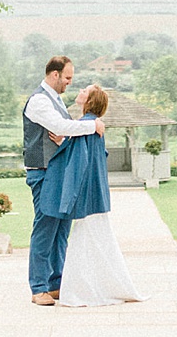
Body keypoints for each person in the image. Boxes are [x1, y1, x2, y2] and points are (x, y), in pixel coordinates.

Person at [39, 86, 142, 307]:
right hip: (97, 198)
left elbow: (78, 163)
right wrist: (65, 142)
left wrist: (68, 199)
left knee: (85, 242)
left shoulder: (87, 126)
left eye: (85, 90)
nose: (80, 90)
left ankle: (86, 290)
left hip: (88, 199)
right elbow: (89, 154)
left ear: (90, 99)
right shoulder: (90, 126)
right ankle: (102, 285)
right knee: (98, 242)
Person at [23, 55, 104, 306]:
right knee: (45, 229)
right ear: (55, 74)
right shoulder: (39, 101)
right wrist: (93, 126)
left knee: (60, 232)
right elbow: (60, 125)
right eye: (68, 77)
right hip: (43, 172)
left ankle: (56, 283)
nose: (70, 82)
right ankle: (38, 288)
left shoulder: (55, 99)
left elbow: (62, 131)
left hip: (57, 172)